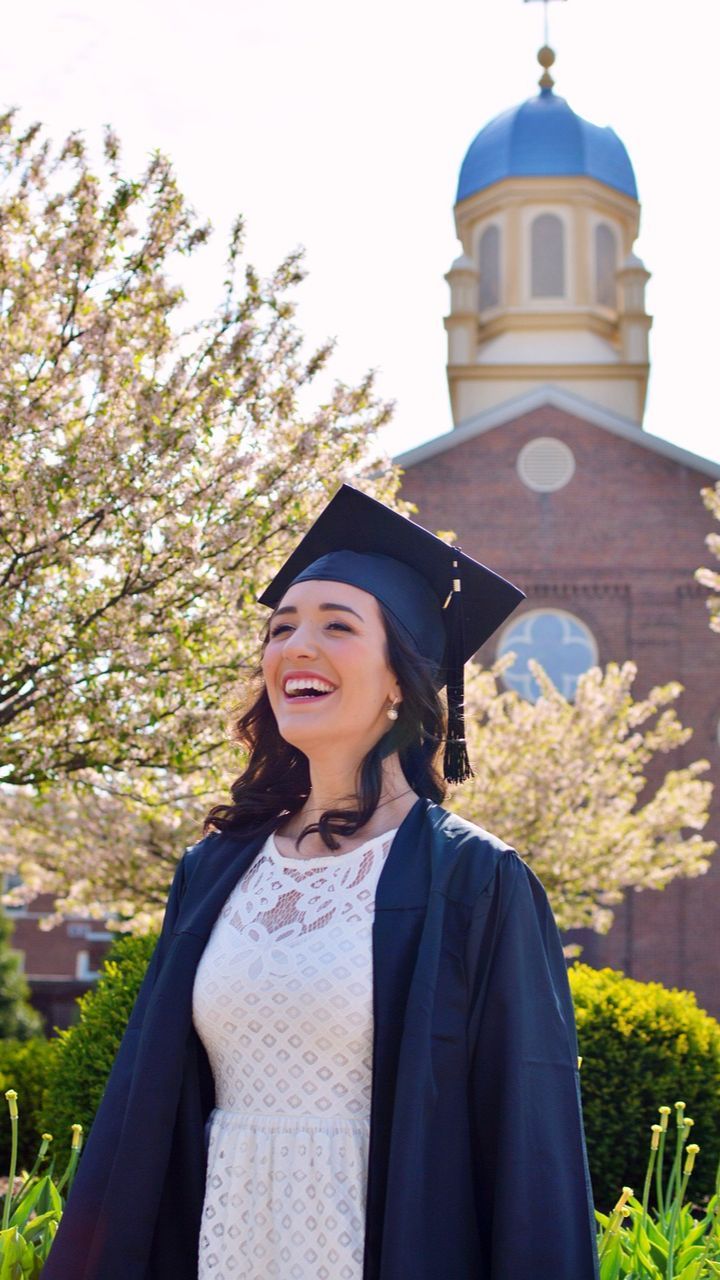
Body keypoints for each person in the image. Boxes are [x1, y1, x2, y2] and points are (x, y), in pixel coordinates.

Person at [44, 484, 600, 1280]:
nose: (295, 646)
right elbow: (146, 1109)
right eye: (281, 628)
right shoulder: (214, 871)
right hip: (225, 1239)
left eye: (337, 626)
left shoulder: (475, 880)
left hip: (374, 1243)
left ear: (401, 679)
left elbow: (529, 1140)